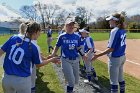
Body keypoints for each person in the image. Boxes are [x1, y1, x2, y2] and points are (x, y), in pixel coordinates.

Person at [0, 22, 60, 93]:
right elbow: (38, 64)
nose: (40, 34)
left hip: (6, 78)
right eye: (39, 32)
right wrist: (51, 60)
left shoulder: (13, 37)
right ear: (36, 32)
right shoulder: (34, 46)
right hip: (22, 81)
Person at [50, 18, 87, 93]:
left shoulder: (77, 36)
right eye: (69, 25)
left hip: (76, 60)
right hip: (65, 60)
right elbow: (57, 46)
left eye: (72, 25)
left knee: (76, 80)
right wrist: (53, 54)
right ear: (66, 26)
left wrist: (83, 55)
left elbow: (79, 47)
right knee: (71, 81)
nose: (71, 26)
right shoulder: (62, 36)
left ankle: (69, 84)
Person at [92, 13, 126, 93]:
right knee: (121, 79)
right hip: (122, 57)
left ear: (114, 20)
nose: (109, 22)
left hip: (114, 59)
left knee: (113, 82)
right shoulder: (122, 29)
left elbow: (111, 48)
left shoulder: (114, 31)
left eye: (110, 20)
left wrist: (97, 55)